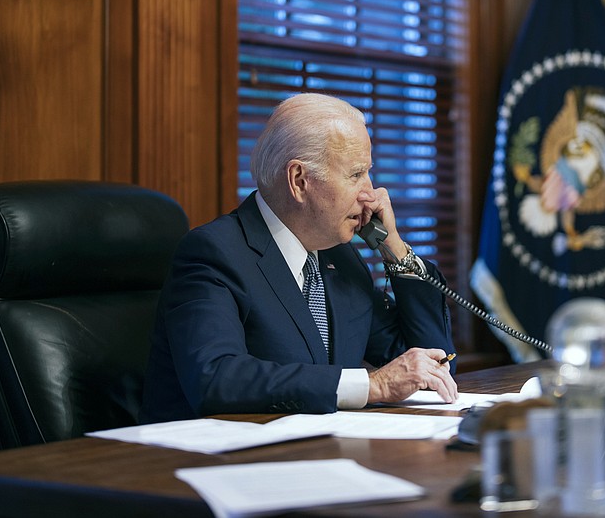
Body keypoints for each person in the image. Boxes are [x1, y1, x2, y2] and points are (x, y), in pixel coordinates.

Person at [140, 93, 457, 421]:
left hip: (317, 454)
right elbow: (216, 378)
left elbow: (433, 370)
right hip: (201, 462)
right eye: (355, 175)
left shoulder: (341, 259)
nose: (372, 194)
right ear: (299, 181)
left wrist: (395, 250)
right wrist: (373, 385)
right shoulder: (213, 254)